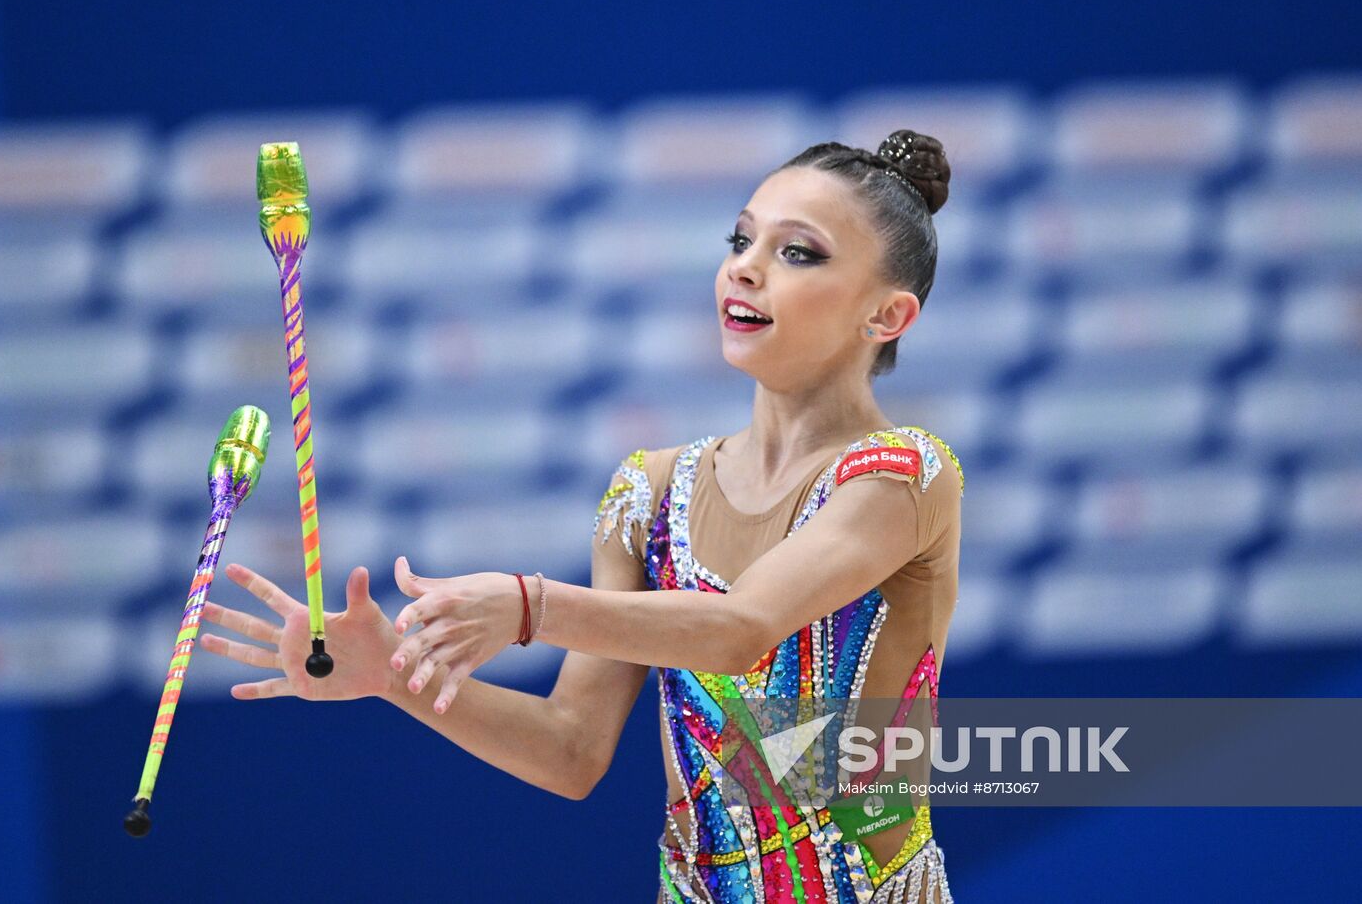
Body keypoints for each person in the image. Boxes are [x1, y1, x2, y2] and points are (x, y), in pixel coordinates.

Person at [201, 129, 963, 903]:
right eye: (741, 238)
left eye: (798, 253)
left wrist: (531, 606)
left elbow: (741, 630)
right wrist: (390, 671)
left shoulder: (902, 474)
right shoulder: (651, 494)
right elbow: (570, 752)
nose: (746, 267)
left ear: (887, 315)